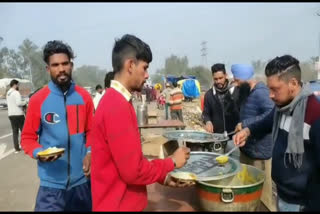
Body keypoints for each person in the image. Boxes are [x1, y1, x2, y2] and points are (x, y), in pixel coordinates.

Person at [89, 34, 192, 211]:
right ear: (130, 65)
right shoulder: (116, 106)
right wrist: (171, 162)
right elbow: (133, 171)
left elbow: (129, 159)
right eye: (144, 68)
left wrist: (162, 177)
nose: (147, 75)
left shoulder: (117, 100)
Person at [233, 55, 320, 211]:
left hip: (302, 204)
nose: (270, 95)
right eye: (269, 89)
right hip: (282, 195)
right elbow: (267, 121)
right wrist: (248, 131)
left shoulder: (315, 115)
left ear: (293, 83)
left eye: (275, 89)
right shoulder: (282, 108)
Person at [21, 40, 94, 211]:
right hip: (51, 188)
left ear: (71, 65)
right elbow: (27, 138)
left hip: (81, 184)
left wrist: (90, 153)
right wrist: (40, 153)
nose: (61, 69)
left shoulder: (84, 97)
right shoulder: (38, 100)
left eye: (65, 63)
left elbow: (92, 132)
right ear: (48, 69)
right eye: (55, 65)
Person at [231, 64, 276, 211]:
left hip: (259, 154)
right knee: (249, 193)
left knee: (262, 197)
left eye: (237, 81)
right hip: (248, 150)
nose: (236, 84)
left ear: (246, 79)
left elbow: (271, 116)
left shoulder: (261, 93)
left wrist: (245, 124)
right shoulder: (247, 92)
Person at [202, 63, 240, 134]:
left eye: (220, 78)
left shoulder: (236, 91)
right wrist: (208, 121)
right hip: (217, 137)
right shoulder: (209, 95)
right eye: (215, 79)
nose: (218, 81)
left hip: (235, 135)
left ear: (226, 76)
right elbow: (205, 113)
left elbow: (244, 111)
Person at [6, 79, 27, 153]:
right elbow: (18, 103)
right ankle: (25, 146)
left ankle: (16, 148)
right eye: (18, 85)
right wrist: (25, 102)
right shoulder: (16, 93)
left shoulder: (8, 93)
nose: (18, 86)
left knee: (15, 132)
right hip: (18, 114)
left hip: (11, 114)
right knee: (24, 131)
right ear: (15, 85)